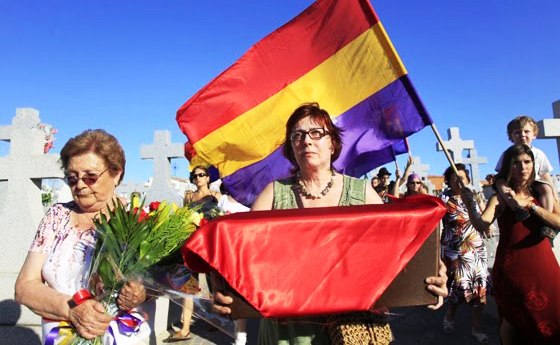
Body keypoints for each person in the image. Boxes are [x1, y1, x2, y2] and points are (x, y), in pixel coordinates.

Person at [213, 103, 449, 344]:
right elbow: (242, 254)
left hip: (350, 330)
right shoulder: (273, 194)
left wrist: (430, 272)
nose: (306, 140)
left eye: (316, 133)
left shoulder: (362, 192)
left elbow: (397, 251)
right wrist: (222, 288)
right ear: (291, 147)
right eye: (297, 135)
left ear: (332, 143)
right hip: (287, 334)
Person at [14, 129, 150, 343]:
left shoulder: (137, 220)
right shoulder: (56, 217)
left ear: (116, 174)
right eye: (72, 178)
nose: (80, 185)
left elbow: (157, 282)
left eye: (91, 177)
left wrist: (141, 292)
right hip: (61, 337)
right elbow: (24, 287)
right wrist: (71, 310)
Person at [469, 144, 560, 344]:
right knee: (512, 319)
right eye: (516, 163)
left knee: (553, 315)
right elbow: (482, 224)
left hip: (544, 266)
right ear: (508, 167)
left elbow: (558, 221)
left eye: (527, 162)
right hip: (511, 268)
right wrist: (469, 204)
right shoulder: (500, 198)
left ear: (533, 164)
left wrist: (532, 208)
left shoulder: (542, 193)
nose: (522, 167)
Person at [165, 165, 224, 342]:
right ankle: (185, 329)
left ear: (208, 178)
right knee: (190, 284)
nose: (198, 177)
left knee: (213, 284)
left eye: (202, 175)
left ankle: (215, 320)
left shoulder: (216, 196)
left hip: (209, 244)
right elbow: (184, 218)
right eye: (195, 175)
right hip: (191, 243)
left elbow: (220, 219)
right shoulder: (188, 196)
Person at [439, 164, 491, 344]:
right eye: (454, 177)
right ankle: (449, 316)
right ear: (449, 181)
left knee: (480, 290)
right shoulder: (444, 201)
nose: (458, 180)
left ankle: (477, 328)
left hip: (476, 250)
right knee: (459, 290)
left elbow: (486, 219)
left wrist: (488, 227)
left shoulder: (475, 197)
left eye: (461, 177)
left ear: (467, 179)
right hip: (456, 252)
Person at [494, 116, 557, 241]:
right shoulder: (508, 153)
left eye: (526, 131)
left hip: (535, 183)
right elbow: (501, 172)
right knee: (500, 182)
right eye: (517, 132)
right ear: (511, 137)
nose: (522, 135)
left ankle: (546, 223)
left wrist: (555, 195)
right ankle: (515, 206)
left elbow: (545, 175)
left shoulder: (539, 153)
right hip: (514, 183)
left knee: (546, 188)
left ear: (534, 134)